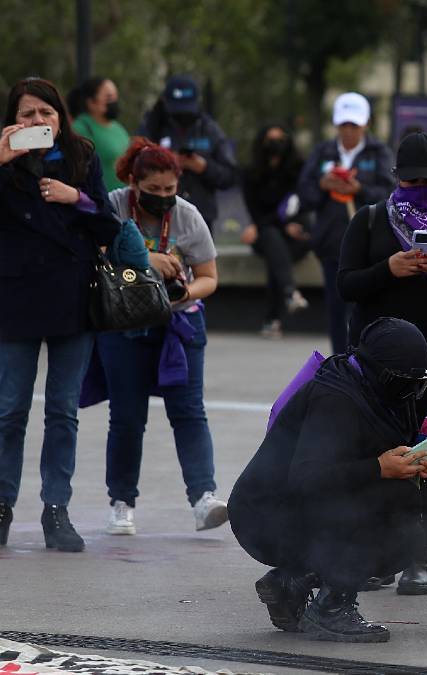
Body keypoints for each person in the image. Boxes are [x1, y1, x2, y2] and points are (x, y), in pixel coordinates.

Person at [229, 318, 427, 643]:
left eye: (418, 382)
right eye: (403, 382)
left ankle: (292, 582)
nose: (411, 392)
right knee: (396, 512)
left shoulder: (378, 392)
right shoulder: (336, 398)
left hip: (302, 509)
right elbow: (307, 479)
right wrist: (379, 468)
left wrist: (420, 461)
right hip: (267, 517)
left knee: (405, 514)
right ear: (380, 373)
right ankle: (331, 608)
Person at [338, 131, 427, 594]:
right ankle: (380, 555)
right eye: (414, 178)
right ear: (397, 177)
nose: (423, 186)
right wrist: (389, 270)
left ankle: (419, 558)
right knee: (377, 455)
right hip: (375, 366)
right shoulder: (369, 221)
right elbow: (344, 285)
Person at [0, 78, 120, 552]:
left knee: (62, 411)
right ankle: (2, 506)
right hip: (14, 297)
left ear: (61, 117)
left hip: (73, 294)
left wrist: (79, 198)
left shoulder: (81, 155)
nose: (36, 123)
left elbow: (110, 223)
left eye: (45, 114)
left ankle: (57, 510)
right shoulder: (3, 159)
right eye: (26, 114)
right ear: (13, 118)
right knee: (9, 409)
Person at [95, 138, 225, 536]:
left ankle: (204, 499)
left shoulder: (187, 216)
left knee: (188, 412)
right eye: (153, 191)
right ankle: (121, 502)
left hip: (179, 325)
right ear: (134, 184)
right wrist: (145, 258)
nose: (163, 198)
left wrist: (184, 293)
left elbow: (209, 278)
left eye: (170, 190)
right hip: (123, 323)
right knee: (127, 416)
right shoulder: (114, 206)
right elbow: (94, 251)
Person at [298, 92, 393, 355]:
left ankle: (364, 360)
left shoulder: (379, 152)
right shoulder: (323, 152)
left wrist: (359, 187)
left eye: (354, 124)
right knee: (336, 307)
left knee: (366, 306)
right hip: (332, 243)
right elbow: (304, 193)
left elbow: (390, 193)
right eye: (344, 125)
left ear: (365, 124)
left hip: (369, 244)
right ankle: (340, 361)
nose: (349, 131)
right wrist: (322, 184)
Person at [137, 75, 238, 229]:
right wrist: (166, 163)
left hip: (201, 217)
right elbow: (134, 166)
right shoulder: (153, 127)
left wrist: (203, 167)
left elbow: (230, 176)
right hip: (158, 215)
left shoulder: (210, 130)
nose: (183, 115)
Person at [241, 124, 310, 339]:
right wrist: (276, 225)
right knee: (272, 238)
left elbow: (301, 205)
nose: (275, 146)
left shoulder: (299, 170)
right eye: (270, 140)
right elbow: (256, 214)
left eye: (280, 140)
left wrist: (292, 225)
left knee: (275, 247)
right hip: (265, 235)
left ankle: (273, 319)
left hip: (295, 236)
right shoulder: (250, 174)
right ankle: (289, 293)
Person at [68, 76, 130, 192]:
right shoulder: (81, 128)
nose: (115, 102)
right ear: (91, 103)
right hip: (99, 200)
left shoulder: (118, 128)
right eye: (109, 97)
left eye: (116, 96)